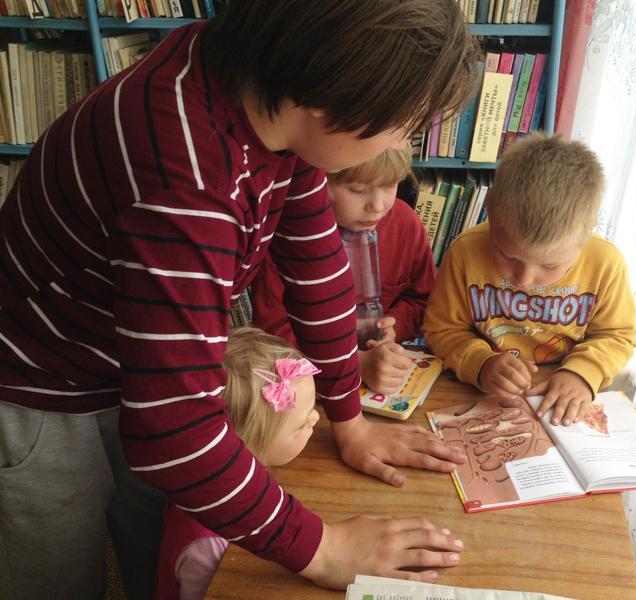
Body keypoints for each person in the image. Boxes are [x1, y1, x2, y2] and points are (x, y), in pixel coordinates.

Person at [0, 1, 479, 597]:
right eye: (402, 125)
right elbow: (175, 432)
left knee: (161, 551)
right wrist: (323, 547)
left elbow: (318, 271)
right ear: (333, 94)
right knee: (57, 575)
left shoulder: (270, 100)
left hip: (140, 361)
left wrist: (349, 419)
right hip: (40, 386)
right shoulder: (185, 175)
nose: (403, 144)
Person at [423, 134, 636, 427]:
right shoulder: (465, 252)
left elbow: (617, 336)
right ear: (490, 211)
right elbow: (442, 329)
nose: (523, 279)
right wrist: (481, 363)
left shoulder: (605, 264)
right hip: (480, 393)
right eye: (506, 255)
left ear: (585, 237)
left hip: (563, 399)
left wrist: (581, 373)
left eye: (549, 265)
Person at [251, 146, 437, 394]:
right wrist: (355, 365)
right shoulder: (287, 234)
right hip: (309, 385)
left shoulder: (406, 223)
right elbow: (273, 332)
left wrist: (395, 326)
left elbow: (422, 299)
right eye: (358, 190)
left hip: (385, 367)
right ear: (319, 183)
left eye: (390, 185)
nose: (377, 205)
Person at [155, 327, 322, 600]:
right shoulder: (209, 546)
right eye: (303, 422)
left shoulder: (203, 476)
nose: (316, 418)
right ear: (245, 443)